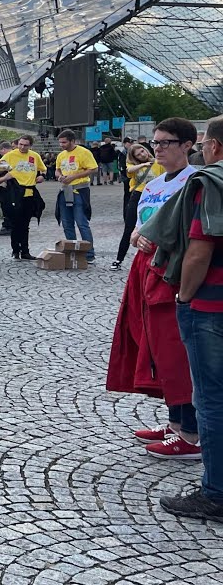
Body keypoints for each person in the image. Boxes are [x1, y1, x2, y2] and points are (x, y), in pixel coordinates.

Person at [107, 117, 200, 460]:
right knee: (154, 344)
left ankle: (190, 431)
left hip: (172, 269)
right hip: (145, 266)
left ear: (187, 145)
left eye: (165, 143)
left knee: (176, 347)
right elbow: (140, 224)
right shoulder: (153, 183)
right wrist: (134, 236)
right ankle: (175, 422)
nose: (157, 148)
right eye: (155, 142)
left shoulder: (195, 181)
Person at [161, 118, 223, 522]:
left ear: (213, 146)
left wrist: (184, 295)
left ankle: (215, 492)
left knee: (212, 399)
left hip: (210, 306)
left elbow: (199, 250)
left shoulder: (210, 184)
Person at [111, 142, 161, 271]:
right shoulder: (133, 165)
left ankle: (155, 258)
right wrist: (143, 165)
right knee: (129, 228)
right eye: (138, 154)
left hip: (155, 198)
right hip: (138, 196)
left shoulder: (158, 163)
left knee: (154, 228)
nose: (142, 155)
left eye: (143, 151)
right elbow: (129, 171)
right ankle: (119, 259)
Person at [54, 129, 98, 262]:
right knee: (67, 223)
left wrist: (73, 176)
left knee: (82, 223)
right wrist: (60, 176)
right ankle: (72, 250)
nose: (62, 145)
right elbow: (57, 169)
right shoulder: (61, 155)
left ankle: (89, 253)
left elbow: (93, 169)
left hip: (79, 190)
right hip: (65, 190)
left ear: (72, 141)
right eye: (60, 142)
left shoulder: (84, 152)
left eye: (64, 142)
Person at [1, 136, 46, 260]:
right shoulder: (11, 155)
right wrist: (1, 180)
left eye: (25, 145)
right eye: (20, 144)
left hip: (29, 192)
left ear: (30, 146)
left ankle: (25, 251)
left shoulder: (34, 156)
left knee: (25, 224)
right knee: (15, 223)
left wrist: (42, 176)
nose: (22, 147)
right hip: (16, 192)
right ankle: (15, 250)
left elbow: (43, 169)